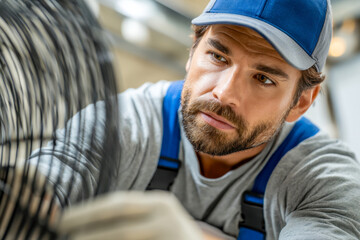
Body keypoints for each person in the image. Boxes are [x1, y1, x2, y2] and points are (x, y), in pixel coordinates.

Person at [24, 0, 360, 239]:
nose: (224, 93)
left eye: (264, 79)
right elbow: (49, 181)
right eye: (218, 55)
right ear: (192, 52)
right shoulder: (122, 124)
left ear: (301, 101)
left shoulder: (325, 181)